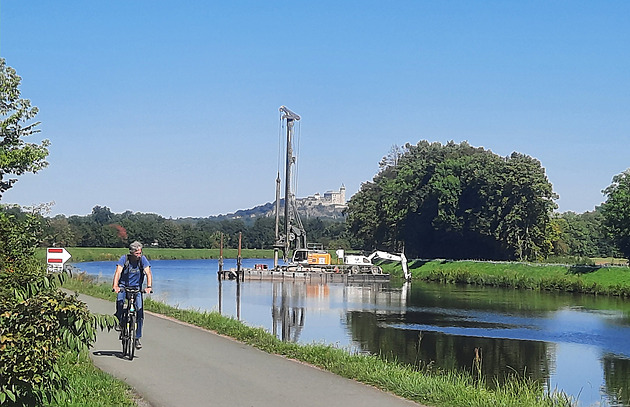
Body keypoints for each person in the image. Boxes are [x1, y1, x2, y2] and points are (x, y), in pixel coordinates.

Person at [113, 241, 153, 349]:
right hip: (123, 287)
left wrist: (149, 287)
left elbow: (148, 273)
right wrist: (115, 286)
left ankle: (137, 338)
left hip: (137, 289)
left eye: (140, 253)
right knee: (120, 302)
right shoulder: (124, 259)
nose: (139, 255)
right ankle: (119, 321)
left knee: (139, 312)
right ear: (132, 252)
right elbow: (118, 272)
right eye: (137, 253)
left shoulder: (142, 260)